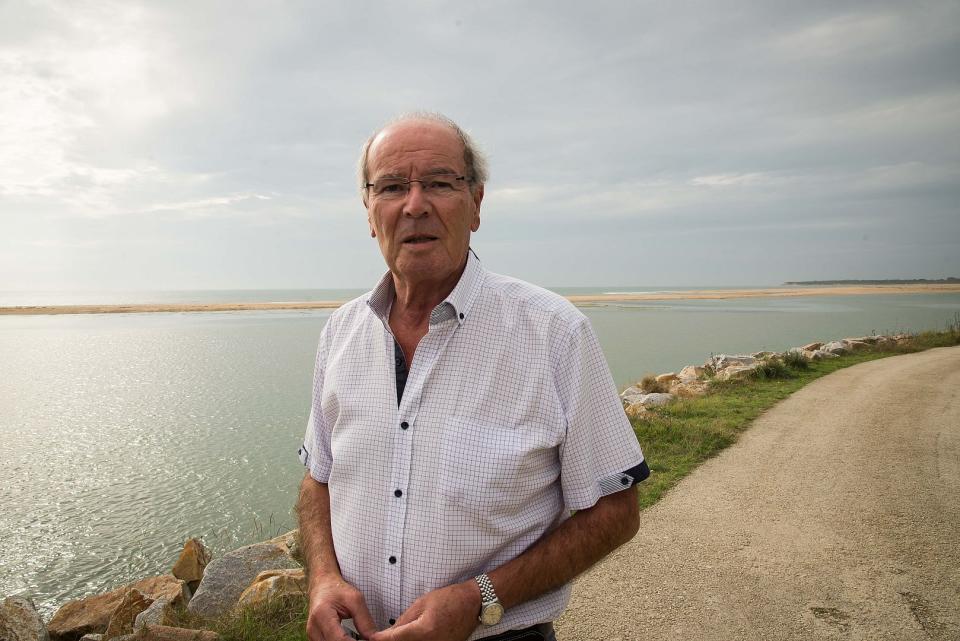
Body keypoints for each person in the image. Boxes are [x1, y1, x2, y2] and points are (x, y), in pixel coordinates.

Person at [296, 112, 649, 641]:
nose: (415, 205)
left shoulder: (555, 333)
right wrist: (322, 579)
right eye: (392, 187)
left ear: (476, 204)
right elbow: (318, 478)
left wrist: (481, 598)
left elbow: (616, 510)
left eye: (439, 183)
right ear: (369, 212)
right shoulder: (339, 334)